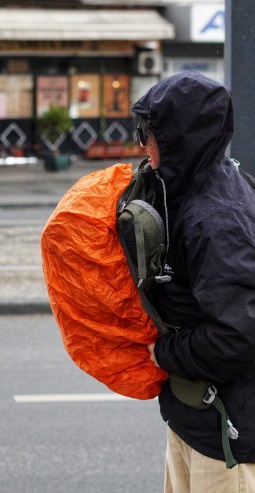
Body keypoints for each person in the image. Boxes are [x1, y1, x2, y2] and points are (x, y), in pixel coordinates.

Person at [132, 72, 255, 492]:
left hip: (227, 434)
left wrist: (163, 351)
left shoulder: (214, 219)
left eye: (147, 134)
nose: (142, 146)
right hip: (196, 417)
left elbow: (236, 337)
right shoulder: (191, 189)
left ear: (179, 140)